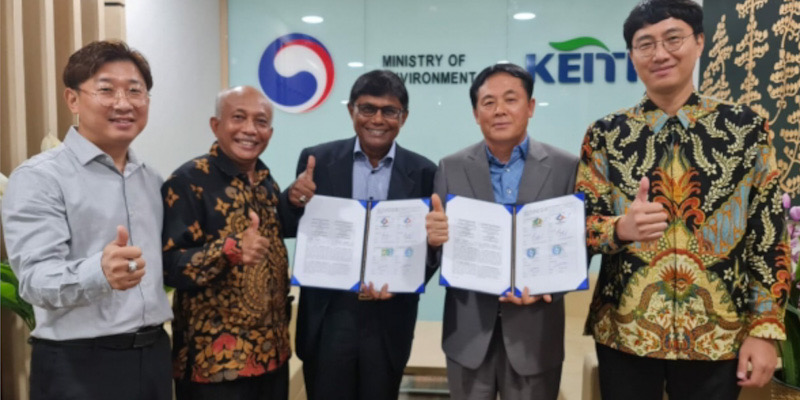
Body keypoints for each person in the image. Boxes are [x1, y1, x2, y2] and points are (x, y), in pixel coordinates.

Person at [575, 1, 791, 398]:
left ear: (699, 42)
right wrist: (620, 228)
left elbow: (768, 235)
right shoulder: (606, 134)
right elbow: (579, 226)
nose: (660, 53)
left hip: (719, 333)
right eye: (645, 44)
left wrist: (764, 330)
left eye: (673, 39)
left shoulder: (745, 129)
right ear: (632, 56)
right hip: (626, 332)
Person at [1, 40, 172, 400]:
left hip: (154, 357)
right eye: (106, 90)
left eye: (135, 91)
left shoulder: (152, 179)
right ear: (73, 99)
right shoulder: (39, 178)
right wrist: (99, 272)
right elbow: (33, 280)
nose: (123, 103)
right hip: (79, 365)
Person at [425, 63, 579, 400]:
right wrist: (433, 241)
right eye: (488, 102)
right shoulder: (451, 167)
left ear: (530, 107)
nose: (499, 110)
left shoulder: (566, 167)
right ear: (475, 113)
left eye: (510, 99)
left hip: (535, 333)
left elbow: (577, 247)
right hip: (468, 335)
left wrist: (549, 289)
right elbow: (437, 248)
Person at [280, 70, 437, 400]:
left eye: (389, 110)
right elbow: (290, 225)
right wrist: (293, 199)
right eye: (367, 108)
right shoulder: (318, 160)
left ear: (404, 117)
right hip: (329, 316)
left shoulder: (424, 172)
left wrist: (404, 280)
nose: (377, 119)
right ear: (351, 110)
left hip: (389, 319)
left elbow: (431, 247)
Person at [161, 86, 291, 399]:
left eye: (261, 121)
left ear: (270, 133)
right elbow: (168, 267)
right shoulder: (188, 181)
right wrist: (229, 250)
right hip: (215, 365)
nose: (250, 129)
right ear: (216, 125)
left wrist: (297, 202)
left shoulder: (267, 182)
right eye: (238, 117)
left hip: (272, 356)